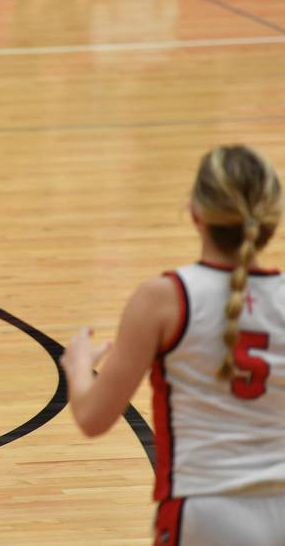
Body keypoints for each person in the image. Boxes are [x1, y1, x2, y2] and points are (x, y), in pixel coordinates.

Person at [61, 145, 285, 546]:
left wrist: (79, 367)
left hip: (204, 511)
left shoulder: (163, 298)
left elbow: (93, 418)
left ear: (196, 212)